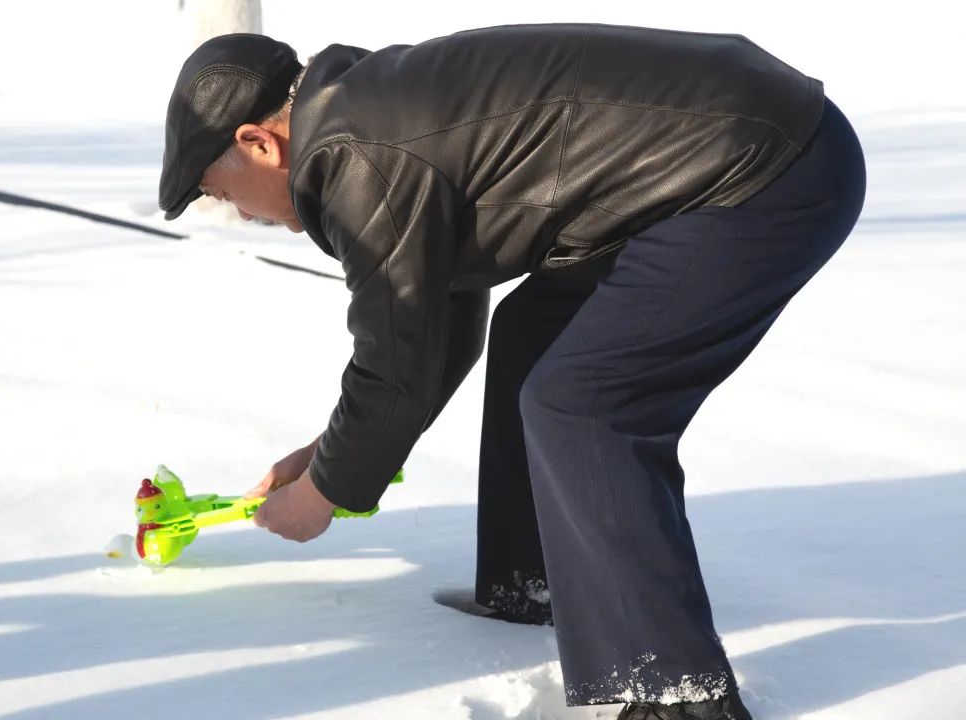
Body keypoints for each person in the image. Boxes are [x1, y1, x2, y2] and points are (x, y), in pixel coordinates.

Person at [158, 24, 866, 718]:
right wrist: (329, 459)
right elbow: (430, 330)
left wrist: (325, 494)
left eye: (221, 193)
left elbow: (397, 359)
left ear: (258, 142)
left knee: (583, 404)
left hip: (766, 172)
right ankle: (530, 586)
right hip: (721, 158)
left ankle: (677, 695)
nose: (237, 212)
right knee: (532, 336)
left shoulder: (357, 159)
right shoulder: (363, 115)